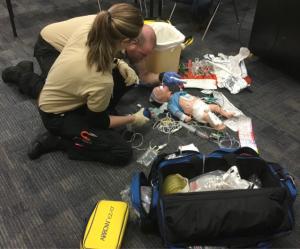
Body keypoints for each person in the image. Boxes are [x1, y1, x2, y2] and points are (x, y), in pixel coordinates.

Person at [27, 3, 150, 165]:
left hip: (58, 92)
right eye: (135, 40)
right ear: (125, 41)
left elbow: (101, 54)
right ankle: (59, 140)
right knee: (122, 153)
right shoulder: (100, 79)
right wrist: (132, 118)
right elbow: (99, 121)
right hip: (56, 116)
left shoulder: (91, 28)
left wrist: (118, 62)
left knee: (123, 77)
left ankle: (95, 108)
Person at [1, 15, 184, 101]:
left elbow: (143, 76)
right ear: (131, 43)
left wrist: (161, 76)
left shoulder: (131, 35)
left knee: (111, 82)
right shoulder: (101, 42)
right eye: (144, 54)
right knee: (57, 94)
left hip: (77, 44)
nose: (146, 57)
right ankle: (21, 73)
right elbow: (90, 74)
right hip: (50, 45)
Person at [150, 85, 234, 130]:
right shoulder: (171, 105)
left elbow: (186, 95)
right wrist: (185, 118)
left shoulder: (176, 94)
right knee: (206, 116)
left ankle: (226, 114)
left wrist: (195, 98)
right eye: (160, 88)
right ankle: (216, 126)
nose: (161, 85)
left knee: (215, 107)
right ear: (162, 98)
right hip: (196, 111)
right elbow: (177, 113)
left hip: (201, 104)